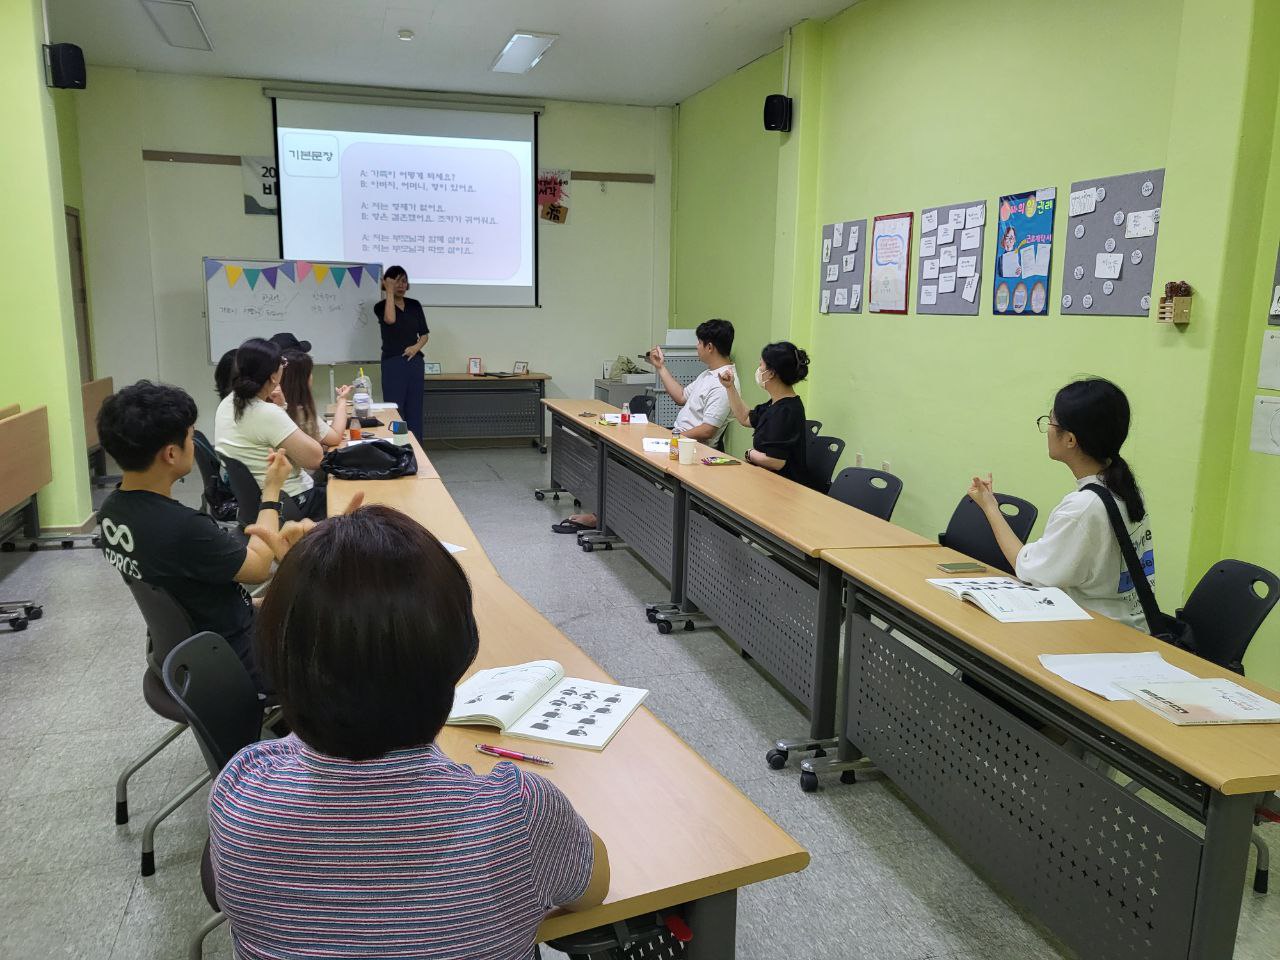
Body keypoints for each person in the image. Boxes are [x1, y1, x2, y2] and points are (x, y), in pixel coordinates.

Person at [209, 505, 610, 958]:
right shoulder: (517, 812)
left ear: (279, 661)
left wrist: (312, 607)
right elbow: (592, 888)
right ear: (457, 657)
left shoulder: (241, 792)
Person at [95, 380, 316, 691]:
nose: (194, 443)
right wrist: (272, 490)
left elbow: (185, 594)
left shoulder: (111, 512)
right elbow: (257, 567)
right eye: (189, 437)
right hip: (235, 661)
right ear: (171, 454)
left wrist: (260, 605)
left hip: (183, 651)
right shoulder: (182, 527)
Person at [964, 377, 1154, 631]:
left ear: (1070, 439)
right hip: (1131, 628)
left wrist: (989, 507)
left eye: (1051, 422)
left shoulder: (1083, 508)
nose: (1048, 429)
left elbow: (1028, 569)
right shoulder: (1124, 488)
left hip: (1100, 638)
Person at [552, 318, 738, 534]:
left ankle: (603, 517)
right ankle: (606, 515)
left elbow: (708, 430)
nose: (696, 347)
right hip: (678, 440)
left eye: (698, 343)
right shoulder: (708, 374)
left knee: (622, 460)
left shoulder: (724, 382)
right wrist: (660, 367)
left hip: (691, 450)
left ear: (709, 347)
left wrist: (673, 437)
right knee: (617, 454)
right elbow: (680, 396)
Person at [214, 337, 327, 520]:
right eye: (282, 362)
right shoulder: (265, 413)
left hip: (261, 501)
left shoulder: (228, 403)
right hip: (291, 501)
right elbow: (315, 459)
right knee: (346, 491)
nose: (284, 365)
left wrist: (281, 408)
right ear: (274, 376)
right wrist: (280, 410)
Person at [719, 341, 818, 489]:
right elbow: (745, 418)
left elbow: (775, 461)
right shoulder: (775, 404)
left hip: (783, 489)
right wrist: (730, 387)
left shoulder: (786, 411)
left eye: (761, 366)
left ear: (771, 373)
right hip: (767, 481)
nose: (759, 370)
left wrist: (749, 454)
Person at [376, 266, 429, 440]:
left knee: (415, 407)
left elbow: (424, 335)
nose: (401, 285)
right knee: (396, 409)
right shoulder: (381, 306)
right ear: (388, 283)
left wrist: (415, 347)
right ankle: (400, 445)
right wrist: (389, 292)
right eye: (396, 281)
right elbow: (390, 319)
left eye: (404, 281)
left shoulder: (414, 305)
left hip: (414, 362)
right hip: (393, 363)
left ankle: (416, 448)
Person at [279, 348, 351, 450]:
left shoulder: (272, 405)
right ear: (302, 379)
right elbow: (335, 438)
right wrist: (342, 399)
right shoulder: (299, 411)